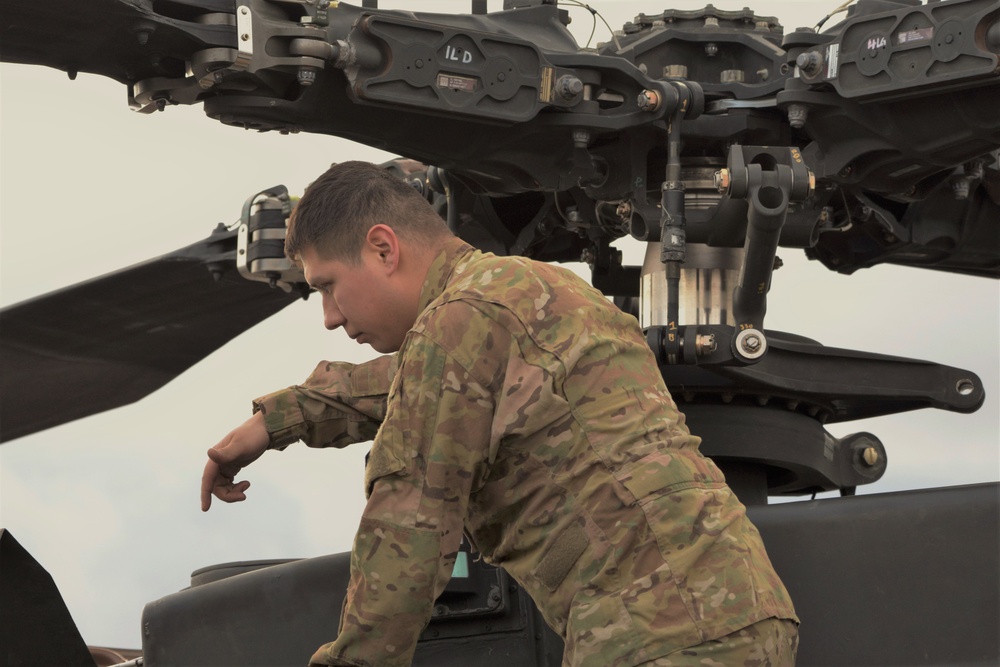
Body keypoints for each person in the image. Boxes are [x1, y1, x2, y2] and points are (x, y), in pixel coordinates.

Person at [200, 161, 798, 666]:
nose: (329, 315)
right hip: (741, 608)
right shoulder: (534, 290)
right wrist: (280, 420)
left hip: (656, 632)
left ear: (383, 248)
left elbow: (408, 532)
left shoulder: (456, 320)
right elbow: (427, 385)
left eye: (328, 285)